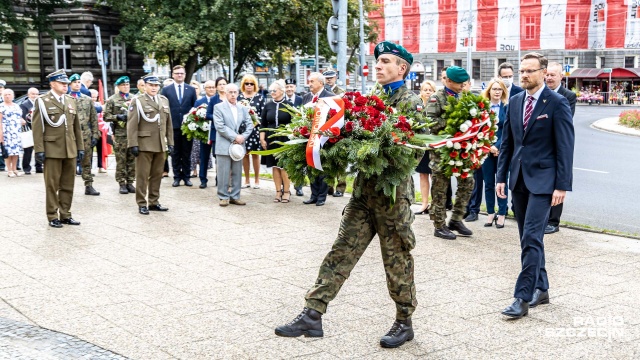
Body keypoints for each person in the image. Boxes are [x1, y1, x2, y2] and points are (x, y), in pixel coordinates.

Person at [276, 41, 423, 349]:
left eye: (385, 61)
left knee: (396, 259)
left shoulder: (411, 101)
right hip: (364, 193)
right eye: (377, 61)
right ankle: (312, 314)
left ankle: (404, 321)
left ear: (402, 68)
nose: (378, 66)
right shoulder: (371, 98)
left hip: (392, 198)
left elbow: (412, 151)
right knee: (342, 250)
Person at [497, 52, 574, 318]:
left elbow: (565, 146)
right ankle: (541, 288)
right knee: (527, 239)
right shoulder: (515, 101)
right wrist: (500, 177)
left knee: (531, 236)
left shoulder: (557, 103)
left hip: (544, 182)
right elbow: (507, 143)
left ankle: (522, 297)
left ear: (543, 72)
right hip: (518, 179)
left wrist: (562, 185)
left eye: (530, 71)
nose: (524, 75)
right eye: (522, 71)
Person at [426, 66, 475, 240]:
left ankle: (456, 219)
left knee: (468, 182)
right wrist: (453, 122)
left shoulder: (464, 98)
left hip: (462, 150)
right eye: (459, 83)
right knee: (440, 188)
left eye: (464, 83)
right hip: (442, 152)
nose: (463, 86)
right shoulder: (436, 98)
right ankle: (439, 225)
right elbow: (430, 122)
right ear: (448, 81)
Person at [32, 70, 84, 228]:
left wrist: (80, 147)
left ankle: (66, 214)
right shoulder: (42, 101)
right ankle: (52, 215)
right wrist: (39, 149)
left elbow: (77, 127)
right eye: (62, 83)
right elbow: (37, 127)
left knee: (68, 184)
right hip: (52, 149)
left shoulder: (70, 100)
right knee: (52, 185)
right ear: (52, 84)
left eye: (66, 83)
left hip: (70, 148)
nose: (65, 86)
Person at [127, 74, 174, 215]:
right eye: (151, 85)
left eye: (156, 86)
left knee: (157, 175)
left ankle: (154, 201)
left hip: (160, 144)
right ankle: (141, 203)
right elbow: (132, 124)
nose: (154, 88)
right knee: (142, 175)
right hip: (144, 144)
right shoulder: (138, 101)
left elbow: (168, 124)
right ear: (145, 86)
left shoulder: (164, 100)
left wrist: (170, 142)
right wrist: (133, 144)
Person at [544, 62, 577, 235]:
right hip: (541, 146)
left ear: (561, 77)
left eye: (553, 75)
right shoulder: (540, 92)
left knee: (558, 183)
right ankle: (542, 218)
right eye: (547, 75)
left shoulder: (568, 96)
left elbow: (565, 119)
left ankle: (553, 221)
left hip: (557, 144)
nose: (549, 78)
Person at [213, 84, 254, 207]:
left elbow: (250, 124)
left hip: (239, 146)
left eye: (235, 92)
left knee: (237, 171)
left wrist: (243, 137)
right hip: (224, 144)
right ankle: (223, 196)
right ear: (225, 93)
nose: (232, 94)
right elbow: (220, 126)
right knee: (223, 172)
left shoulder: (242, 108)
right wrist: (235, 136)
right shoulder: (218, 107)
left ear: (238, 93)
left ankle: (235, 196)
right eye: (230, 92)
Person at [301, 72, 335, 207]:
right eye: (309, 82)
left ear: (321, 83)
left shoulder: (331, 97)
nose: (309, 84)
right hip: (308, 137)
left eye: (312, 82)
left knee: (322, 167)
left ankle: (322, 196)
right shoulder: (306, 97)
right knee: (311, 166)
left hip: (324, 138)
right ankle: (313, 195)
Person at [161, 65, 197, 187]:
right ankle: (176, 177)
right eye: (177, 73)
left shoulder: (191, 90)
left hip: (187, 127)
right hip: (173, 126)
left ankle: (187, 177)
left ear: (185, 74)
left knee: (187, 153)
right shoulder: (166, 90)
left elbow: (194, 108)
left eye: (181, 73)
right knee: (175, 153)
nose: (179, 75)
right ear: (173, 75)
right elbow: (163, 107)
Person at [480, 78, 509, 228]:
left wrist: (497, 146)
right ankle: (490, 212)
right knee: (489, 183)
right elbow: (478, 130)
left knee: (502, 182)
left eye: (500, 89)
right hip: (486, 150)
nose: (497, 92)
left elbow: (508, 131)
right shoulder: (482, 108)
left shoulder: (507, 107)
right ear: (489, 91)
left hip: (502, 151)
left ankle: (502, 213)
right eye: (494, 89)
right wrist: (489, 146)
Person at [260, 80, 293, 203]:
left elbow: (294, 123)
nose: (272, 92)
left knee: (284, 166)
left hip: (285, 139)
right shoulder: (268, 105)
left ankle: (287, 191)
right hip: (271, 138)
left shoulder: (289, 105)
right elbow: (263, 123)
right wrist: (262, 138)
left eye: (274, 90)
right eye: (271, 90)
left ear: (282, 91)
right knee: (274, 166)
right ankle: (278, 191)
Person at [68, 74, 100, 196]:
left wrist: (95, 134)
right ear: (70, 84)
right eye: (74, 82)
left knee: (87, 161)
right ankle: (68, 187)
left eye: (78, 82)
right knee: (70, 162)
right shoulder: (66, 99)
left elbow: (93, 118)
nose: (77, 84)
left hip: (85, 135)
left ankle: (89, 185)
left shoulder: (87, 99)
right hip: (71, 135)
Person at [104, 76, 136, 194]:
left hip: (132, 133)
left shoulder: (134, 98)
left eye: (127, 85)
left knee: (132, 159)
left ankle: (130, 182)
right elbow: (105, 116)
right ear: (118, 87)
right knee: (121, 159)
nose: (126, 87)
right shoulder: (112, 100)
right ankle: (122, 183)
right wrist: (117, 117)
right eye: (123, 85)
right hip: (120, 134)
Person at [238, 74, 265, 189]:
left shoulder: (259, 97)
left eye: (251, 83)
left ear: (255, 85)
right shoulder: (239, 97)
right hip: (242, 130)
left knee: (255, 154)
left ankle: (257, 180)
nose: (249, 85)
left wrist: (256, 122)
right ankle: (247, 180)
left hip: (255, 129)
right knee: (244, 154)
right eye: (246, 83)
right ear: (243, 85)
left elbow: (263, 114)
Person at [414, 80, 436, 214]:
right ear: (421, 91)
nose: (428, 92)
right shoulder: (417, 105)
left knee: (434, 175)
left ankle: (435, 204)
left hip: (434, 144)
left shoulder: (436, 105)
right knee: (423, 175)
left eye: (430, 90)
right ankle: (424, 204)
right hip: (422, 145)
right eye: (425, 89)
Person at [201, 77, 227, 188]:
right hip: (215, 132)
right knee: (216, 156)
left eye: (224, 84)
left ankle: (220, 179)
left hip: (229, 132)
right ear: (217, 86)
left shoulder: (230, 97)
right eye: (220, 84)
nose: (222, 86)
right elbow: (208, 115)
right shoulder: (213, 99)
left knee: (225, 158)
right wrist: (218, 118)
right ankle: (206, 180)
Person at [192, 80, 217, 188]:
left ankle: (219, 179)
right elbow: (194, 117)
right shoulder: (199, 102)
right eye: (209, 87)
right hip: (204, 133)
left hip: (216, 132)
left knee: (218, 156)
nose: (211, 89)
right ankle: (203, 179)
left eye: (213, 87)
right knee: (204, 156)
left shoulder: (219, 100)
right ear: (204, 89)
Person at [284, 78, 304, 196]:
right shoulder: (282, 100)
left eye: (291, 86)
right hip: (284, 134)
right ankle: (285, 187)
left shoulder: (300, 100)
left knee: (298, 162)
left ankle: (299, 186)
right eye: (287, 87)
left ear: (295, 88)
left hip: (297, 134)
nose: (289, 89)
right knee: (285, 162)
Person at [0, 89, 26, 177]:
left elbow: (19, 117)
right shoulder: (1, 106)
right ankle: (9, 170)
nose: (7, 96)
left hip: (16, 131)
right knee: (7, 152)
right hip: (6, 131)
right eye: (5, 95)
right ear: (2, 96)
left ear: (13, 95)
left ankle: (15, 169)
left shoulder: (16, 106)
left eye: (9, 94)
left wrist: (22, 120)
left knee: (16, 152)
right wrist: (1, 135)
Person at [20, 87, 41, 174]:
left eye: (36, 94)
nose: (35, 95)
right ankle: (26, 168)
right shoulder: (24, 105)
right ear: (28, 95)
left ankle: (39, 167)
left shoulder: (40, 103)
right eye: (33, 94)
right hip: (29, 130)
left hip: (39, 129)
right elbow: (23, 118)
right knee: (28, 150)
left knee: (39, 149)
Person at [89, 89, 108, 174]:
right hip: (91, 130)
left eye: (95, 97)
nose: (93, 98)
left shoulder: (99, 104)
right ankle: (88, 168)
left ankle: (101, 166)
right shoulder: (88, 104)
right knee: (90, 150)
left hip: (100, 130)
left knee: (100, 148)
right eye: (92, 97)